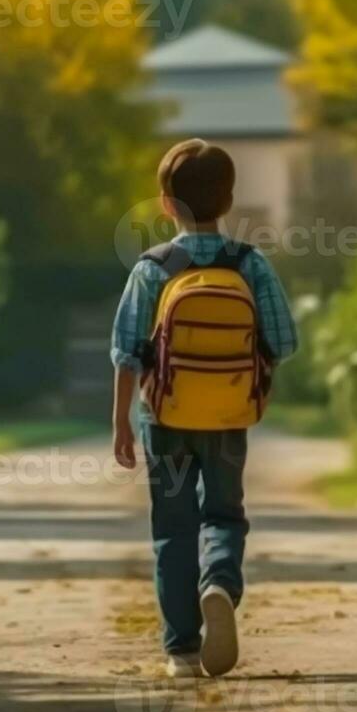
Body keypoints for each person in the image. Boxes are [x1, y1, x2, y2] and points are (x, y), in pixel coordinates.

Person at [109, 138, 299, 678]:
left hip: (164, 420)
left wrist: (121, 421)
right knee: (223, 513)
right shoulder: (250, 263)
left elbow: (125, 351)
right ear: (229, 199)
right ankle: (218, 582)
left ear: (166, 203)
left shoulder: (152, 268)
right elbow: (284, 343)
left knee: (172, 528)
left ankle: (182, 651)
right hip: (228, 419)